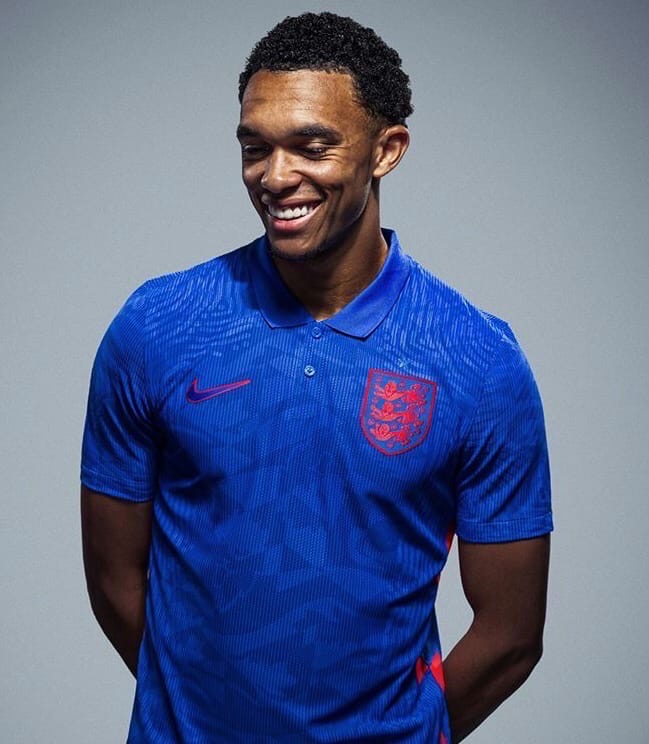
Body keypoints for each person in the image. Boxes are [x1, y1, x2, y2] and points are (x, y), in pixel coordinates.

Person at [81, 12, 552, 743]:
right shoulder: (158, 326)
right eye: (255, 147)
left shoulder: (477, 359)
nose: (275, 177)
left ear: (386, 150)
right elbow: (115, 580)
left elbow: (511, 635)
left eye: (311, 146)